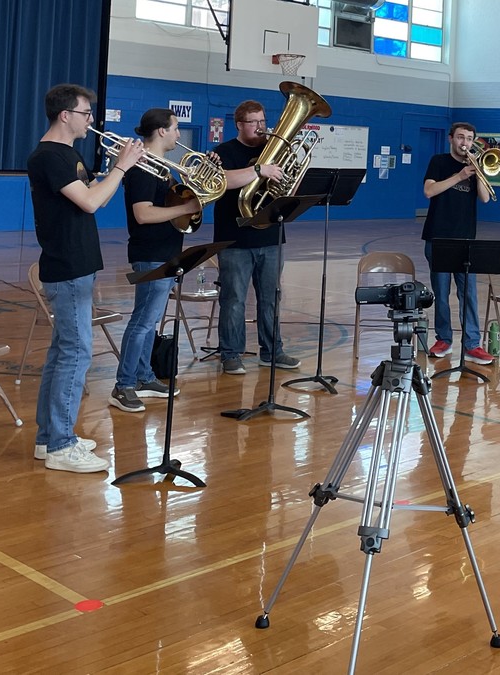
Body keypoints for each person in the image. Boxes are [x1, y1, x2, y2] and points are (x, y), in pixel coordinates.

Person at [27, 83, 144, 472]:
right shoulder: (49, 156)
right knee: (76, 353)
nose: (91, 120)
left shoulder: (69, 154)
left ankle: (49, 438)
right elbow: (91, 203)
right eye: (85, 113)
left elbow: (98, 196)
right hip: (67, 266)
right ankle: (61, 445)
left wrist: (118, 170)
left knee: (63, 352)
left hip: (78, 264)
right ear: (66, 116)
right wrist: (122, 166)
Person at [108, 108, 202, 412]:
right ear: (162, 131)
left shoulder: (162, 167)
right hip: (150, 254)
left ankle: (144, 376)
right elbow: (143, 213)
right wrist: (184, 209)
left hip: (165, 252)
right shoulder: (143, 167)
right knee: (142, 322)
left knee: (150, 323)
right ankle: (123, 385)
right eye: (175, 128)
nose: (178, 134)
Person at [212, 99, 301, 375]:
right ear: (239, 124)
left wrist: (291, 174)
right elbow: (222, 181)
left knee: (271, 298)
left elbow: (289, 189)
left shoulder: (274, 150)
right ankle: (230, 354)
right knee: (233, 299)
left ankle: (272, 351)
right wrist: (260, 170)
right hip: (234, 238)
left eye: (263, 121)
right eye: (254, 122)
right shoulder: (223, 152)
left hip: (271, 236)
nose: (261, 127)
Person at [422, 122, 496, 365]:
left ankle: (472, 344)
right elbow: (429, 191)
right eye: (461, 137)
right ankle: (443, 339)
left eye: (469, 138)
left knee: (469, 294)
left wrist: (479, 172)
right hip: (438, 237)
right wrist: (460, 176)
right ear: (451, 138)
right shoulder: (439, 161)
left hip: (466, 239)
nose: (465, 143)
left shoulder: (474, 164)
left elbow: (485, 199)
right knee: (442, 294)